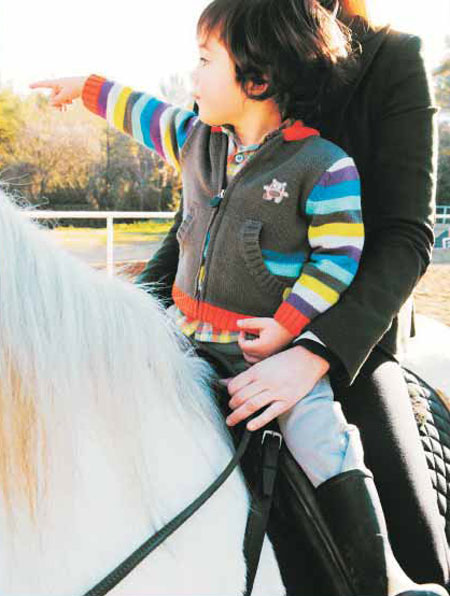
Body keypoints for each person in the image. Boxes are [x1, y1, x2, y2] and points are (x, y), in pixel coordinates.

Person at [29, 1, 447, 594]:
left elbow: (403, 237)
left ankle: (399, 581)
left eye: (203, 62)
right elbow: (198, 224)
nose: (195, 73)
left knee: (380, 481)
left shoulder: (388, 62)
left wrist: (308, 348)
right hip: (205, 321)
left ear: (258, 78)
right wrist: (131, 313)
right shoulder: (212, 122)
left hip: (339, 329)